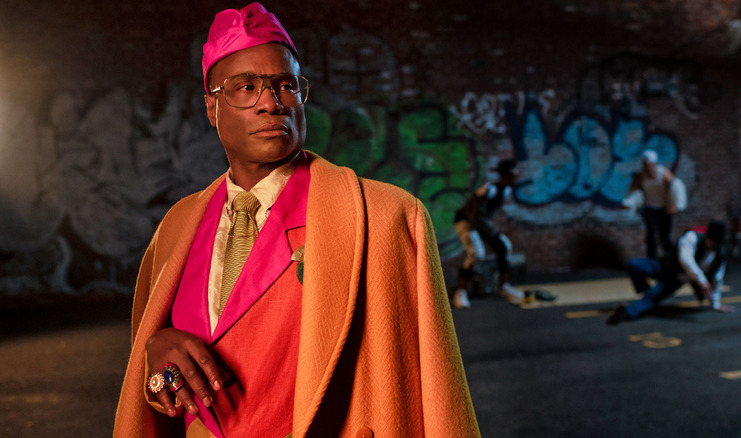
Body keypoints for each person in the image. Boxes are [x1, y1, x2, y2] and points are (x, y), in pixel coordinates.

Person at [113, 4, 480, 437]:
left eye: (286, 85)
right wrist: (156, 352)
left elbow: (437, 397)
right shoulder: (177, 228)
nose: (271, 103)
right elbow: (161, 393)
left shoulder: (388, 217)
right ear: (212, 107)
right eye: (246, 87)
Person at [451, 159, 554, 308]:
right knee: (476, 254)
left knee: (504, 246)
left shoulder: (505, 191)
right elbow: (475, 214)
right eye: (513, 172)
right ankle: (460, 292)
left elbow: (486, 218)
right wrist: (491, 231)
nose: (517, 175)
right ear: (506, 174)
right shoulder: (489, 189)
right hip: (467, 222)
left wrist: (492, 232)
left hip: (481, 225)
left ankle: (504, 287)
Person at [606, 220, 734, 325]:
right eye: (711, 239)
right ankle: (645, 289)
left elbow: (717, 278)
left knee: (651, 297)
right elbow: (686, 261)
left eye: (715, 242)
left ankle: (626, 313)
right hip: (663, 266)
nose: (711, 244)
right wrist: (702, 281)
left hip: (676, 278)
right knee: (633, 265)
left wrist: (715, 304)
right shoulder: (691, 238)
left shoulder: (719, 255)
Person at [624, 149, 685, 258]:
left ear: (655, 164)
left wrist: (678, 205)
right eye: (645, 165)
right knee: (651, 235)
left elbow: (677, 187)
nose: (648, 168)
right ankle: (652, 260)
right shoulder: (640, 177)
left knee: (664, 236)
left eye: (650, 165)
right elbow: (633, 191)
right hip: (650, 209)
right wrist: (628, 203)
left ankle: (671, 259)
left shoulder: (664, 174)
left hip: (665, 209)